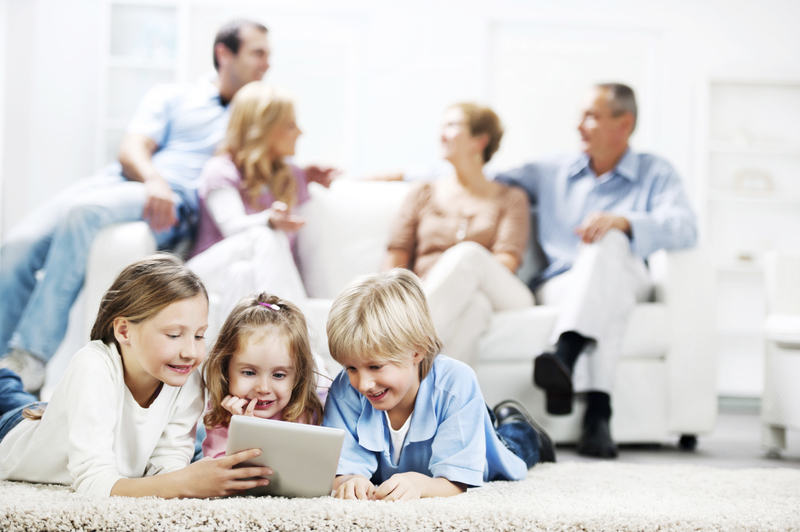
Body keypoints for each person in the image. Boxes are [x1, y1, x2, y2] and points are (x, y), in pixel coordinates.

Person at [0, 19, 337, 393]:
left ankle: (30, 358)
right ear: (224, 54)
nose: (266, 64)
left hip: (172, 200)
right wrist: (152, 180)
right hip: (130, 183)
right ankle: (4, 372)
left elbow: (257, 154)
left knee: (85, 214)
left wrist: (299, 172)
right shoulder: (173, 96)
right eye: (258, 53)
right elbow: (131, 148)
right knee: (17, 245)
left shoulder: (250, 110)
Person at [495, 83, 698, 458]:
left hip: (630, 270)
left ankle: (566, 350)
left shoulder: (657, 172)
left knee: (611, 239)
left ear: (625, 123)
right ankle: (598, 415)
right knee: (611, 295)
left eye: (591, 116)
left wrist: (623, 221)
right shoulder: (551, 170)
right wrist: (397, 175)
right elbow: (485, 177)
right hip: (562, 284)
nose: (579, 126)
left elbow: (686, 226)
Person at [0, 254, 274, 498]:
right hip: (15, 430)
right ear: (123, 331)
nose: (191, 352)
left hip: (65, 414)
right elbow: (93, 484)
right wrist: (184, 483)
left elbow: (168, 467)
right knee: (9, 391)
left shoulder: (186, 376)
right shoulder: (92, 365)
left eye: (200, 335)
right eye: (174, 335)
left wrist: (184, 480)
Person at [322, 269, 555, 501]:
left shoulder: (456, 382)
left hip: (486, 441)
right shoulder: (345, 390)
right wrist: (349, 481)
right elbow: (342, 471)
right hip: (458, 414)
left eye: (376, 367)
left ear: (417, 350)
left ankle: (518, 423)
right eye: (350, 368)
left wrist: (420, 484)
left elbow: (455, 482)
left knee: (515, 445)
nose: (363, 384)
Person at [382, 103, 532, 366]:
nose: (441, 135)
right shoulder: (423, 192)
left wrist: (451, 277)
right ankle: (444, 403)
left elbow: (507, 260)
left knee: (468, 255)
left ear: (480, 140)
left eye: (451, 126)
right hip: (439, 292)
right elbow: (397, 254)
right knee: (474, 308)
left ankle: (394, 348)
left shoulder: (511, 198)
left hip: (502, 290)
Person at [186, 83, 312, 338]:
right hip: (203, 275)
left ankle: (226, 369)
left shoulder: (292, 177)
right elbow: (232, 226)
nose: (300, 132)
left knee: (242, 273)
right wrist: (270, 220)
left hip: (246, 276)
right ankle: (301, 342)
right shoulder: (221, 169)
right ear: (263, 129)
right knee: (265, 234)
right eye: (290, 125)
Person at [201, 293, 326, 459]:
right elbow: (220, 472)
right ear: (225, 369)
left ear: (298, 376)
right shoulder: (223, 413)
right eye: (249, 373)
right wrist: (245, 430)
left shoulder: (308, 411)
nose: (263, 388)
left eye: (279, 375)